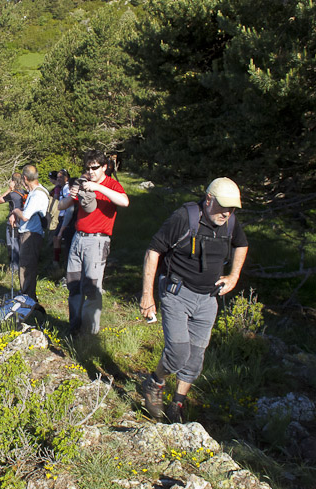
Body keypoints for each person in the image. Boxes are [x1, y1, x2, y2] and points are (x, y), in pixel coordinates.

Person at [140, 177, 249, 423]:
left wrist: (233, 276)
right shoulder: (184, 217)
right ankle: (155, 383)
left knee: (195, 357)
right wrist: (147, 295)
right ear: (209, 199)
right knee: (178, 352)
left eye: (232, 209)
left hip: (208, 298)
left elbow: (242, 244)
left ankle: (177, 404)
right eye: (224, 207)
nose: (227, 213)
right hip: (176, 293)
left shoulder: (230, 222)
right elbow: (153, 251)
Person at [59, 151, 129, 335]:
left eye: (95, 168)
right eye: (88, 168)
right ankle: (74, 328)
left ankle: (90, 335)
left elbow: (124, 201)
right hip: (78, 238)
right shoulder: (84, 182)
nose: (91, 172)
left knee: (92, 289)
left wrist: (98, 188)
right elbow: (62, 205)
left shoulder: (111, 185)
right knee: (73, 285)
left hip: (97, 242)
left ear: (104, 167)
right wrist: (72, 193)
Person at [10, 165, 49, 300]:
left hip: (31, 235)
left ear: (25, 178)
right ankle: (27, 296)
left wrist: (15, 211)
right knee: (27, 266)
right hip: (30, 233)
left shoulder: (37, 194)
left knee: (26, 268)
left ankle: (27, 299)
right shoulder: (36, 191)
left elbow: (25, 216)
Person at [0, 172, 24, 273]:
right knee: (20, 244)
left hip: (12, 221)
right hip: (23, 221)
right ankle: (21, 266)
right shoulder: (24, 192)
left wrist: (9, 189)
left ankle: (14, 268)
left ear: (12, 181)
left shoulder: (12, 194)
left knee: (12, 244)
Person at [52, 170, 74, 266]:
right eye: (57, 177)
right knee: (57, 238)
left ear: (66, 178)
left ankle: (57, 261)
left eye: (61, 177)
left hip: (66, 217)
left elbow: (69, 203)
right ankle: (59, 260)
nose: (59, 179)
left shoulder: (67, 188)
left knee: (58, 238)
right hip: (62, 217)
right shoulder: (62, 188)